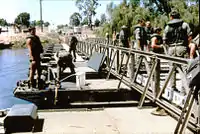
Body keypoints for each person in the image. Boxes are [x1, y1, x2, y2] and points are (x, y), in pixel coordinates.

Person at [163, 10, 192, 96]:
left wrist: (169, 47)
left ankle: (172, 88)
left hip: (171, 49)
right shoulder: (184, 24)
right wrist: (188, 44)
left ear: (171, 17)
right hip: (182, 48)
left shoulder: (168, 27)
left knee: (172, 70)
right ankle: (184, 90)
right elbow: (190, 36)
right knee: (184, 70)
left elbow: (164, 40)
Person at [150, 27, 167, 116]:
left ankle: (156, 88)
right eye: (159, 31)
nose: (160, 32)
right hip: (154, 56)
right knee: (155, 72)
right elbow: (153, 45)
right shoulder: (155, 37)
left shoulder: (156, 36)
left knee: (156, 71)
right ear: (157, 31)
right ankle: (156, 90)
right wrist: (160, 46)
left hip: (157, 56)